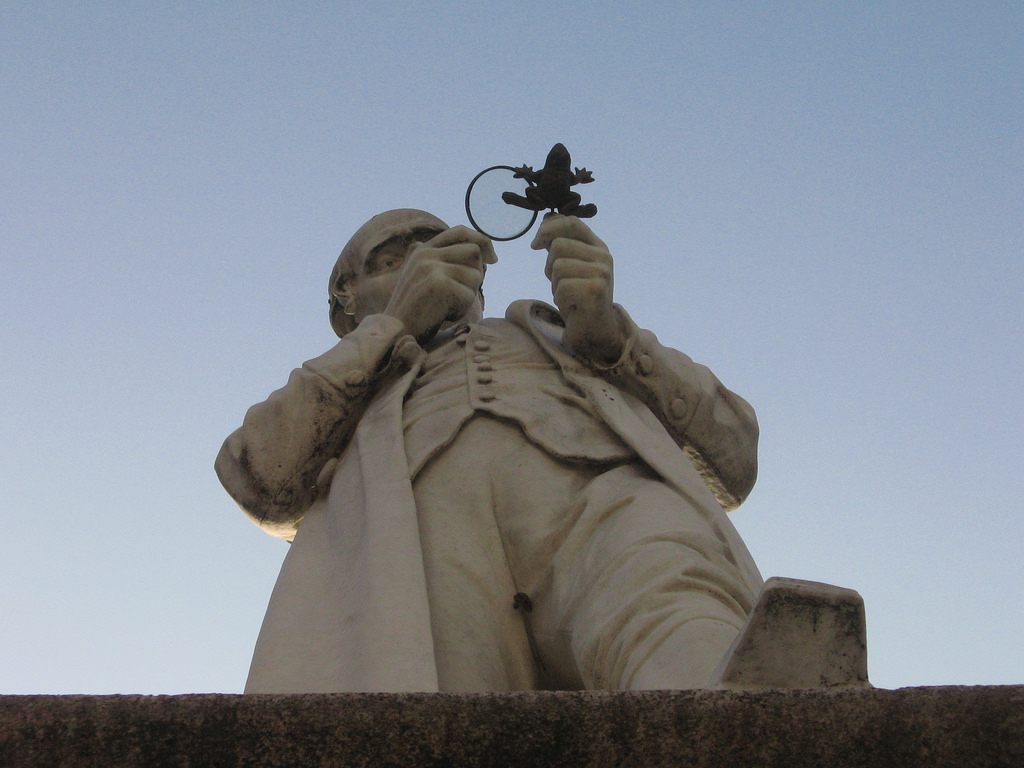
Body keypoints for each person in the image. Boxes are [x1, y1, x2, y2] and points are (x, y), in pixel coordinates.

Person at [216, 209, 763, 693]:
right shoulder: (349, 380)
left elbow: (733, 456)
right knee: (428, 693)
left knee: (676, 613)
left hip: (604, 497)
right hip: (421, 531)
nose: (427, 264)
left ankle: (743, 721)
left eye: (438, 248)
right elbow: (259, 476)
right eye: (392, 260)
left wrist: (612, 339)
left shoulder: (560, 335)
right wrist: (393, 326)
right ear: (346, 297)